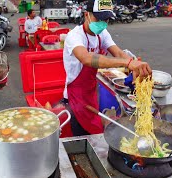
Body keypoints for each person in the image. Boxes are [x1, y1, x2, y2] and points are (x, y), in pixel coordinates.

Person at [62, 0, 152, 136]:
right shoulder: (74, 36)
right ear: (87, 15)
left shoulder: (102, 34)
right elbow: (86, 58)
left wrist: (134, 64)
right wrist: (127, 63)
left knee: (95, 132)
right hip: (75, 96)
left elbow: (119, 53)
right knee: (81, 136)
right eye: (99, 18)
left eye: (106, 19)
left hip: (91, 92)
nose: (103, 23)